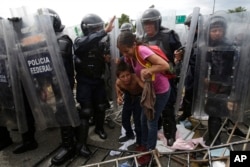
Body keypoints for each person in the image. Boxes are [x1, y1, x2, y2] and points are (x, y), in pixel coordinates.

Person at [117, 31, 171, 165]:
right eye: (122, 52)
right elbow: (121, 74)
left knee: (151, 121)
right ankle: (144, 145)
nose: (125, 54)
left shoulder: (141, 51)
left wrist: (149, 70)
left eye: (126, 50)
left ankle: (150, 152)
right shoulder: (130, 57)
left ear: (134, 44)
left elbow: (165, 65)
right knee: (142, 119)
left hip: (160, 91)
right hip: (149, 91)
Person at [73, 14, 115, 157]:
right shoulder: (79, 41)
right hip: (85, 82)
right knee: (85, 111)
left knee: (101, 106)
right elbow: (84, 45)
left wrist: (108, 59)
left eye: (99, 27)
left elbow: (110, 57)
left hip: (98, 81)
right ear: (86, 29)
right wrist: (103, 31)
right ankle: (81, 144)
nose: (98, 31)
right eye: (95, 28)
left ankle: (99, 128)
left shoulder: (102, 42)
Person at [140, 8, 182, 146]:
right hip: (151, 81)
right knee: (151, 106)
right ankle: (155, 129)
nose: (148, 26)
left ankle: (170, 133)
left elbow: (180, 54)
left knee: (168, 108)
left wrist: (178, 59)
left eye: (151, 23)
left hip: (167, 78)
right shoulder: (143, 39)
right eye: (145, 24)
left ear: (157, 23)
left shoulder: (169, 35)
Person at [176, 14, 199, 125]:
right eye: (189, 25)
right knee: (188, 94)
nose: (189, 28)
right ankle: (186, 113)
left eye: (191, 25)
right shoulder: (191, 39)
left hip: (201, 74)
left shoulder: (205, 39)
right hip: (191, 73)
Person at [116, 61, 143, 145]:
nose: (126, 78)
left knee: (138, 121)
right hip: (128, 96)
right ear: (119, 77)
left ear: (131, 73)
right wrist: (119, 97)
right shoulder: (119, 82)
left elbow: (146, 88)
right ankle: (129, 134)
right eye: (122, 76)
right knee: (125, 119)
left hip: (139, 97)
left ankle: (140, 141)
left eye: (127, 75)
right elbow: (117, 86)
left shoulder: (136, 78)